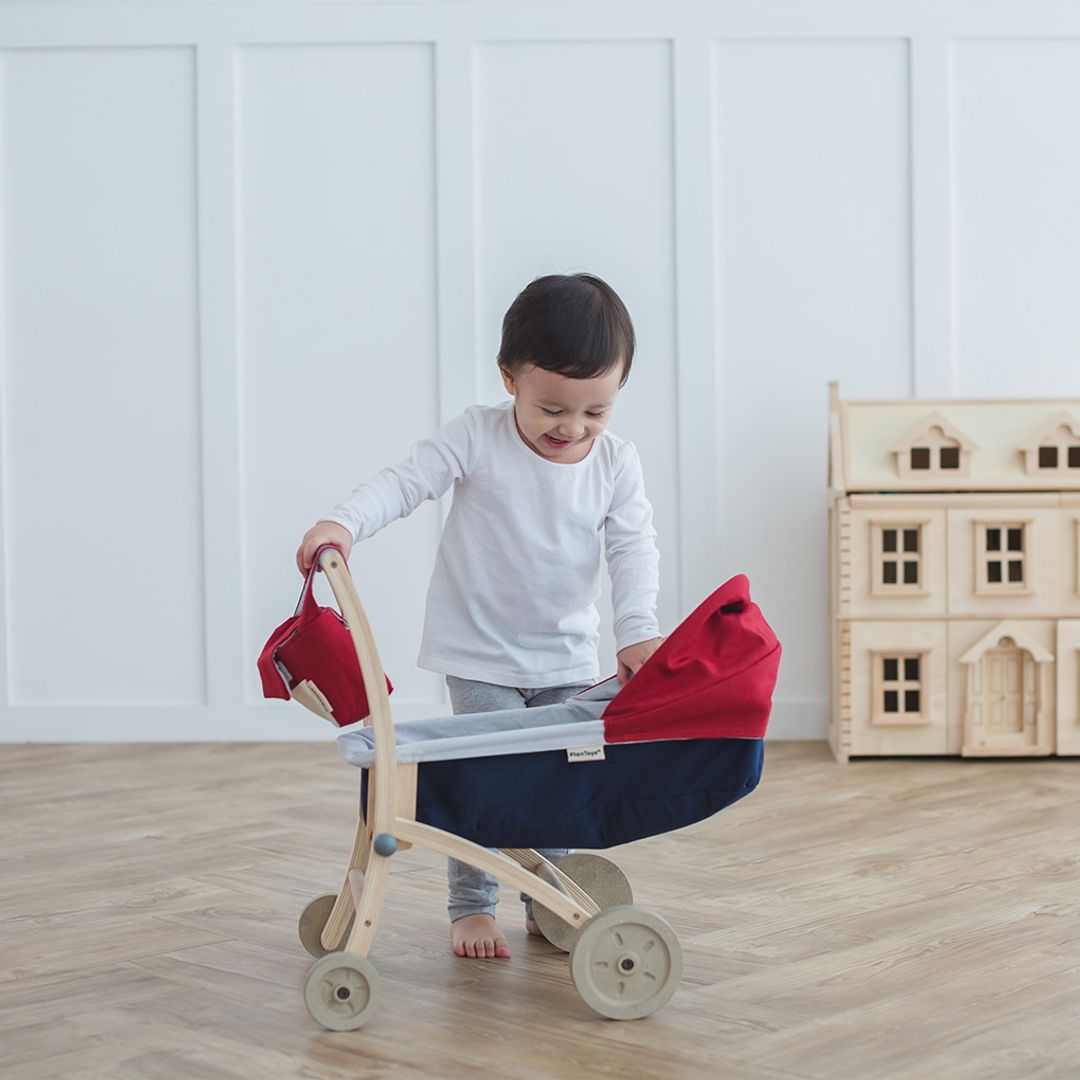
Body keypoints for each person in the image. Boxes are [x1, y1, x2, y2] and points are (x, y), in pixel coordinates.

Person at [296, 272, 663, 959]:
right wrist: (341, 524)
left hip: (568, 658)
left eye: (595, 412)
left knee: (555, 781)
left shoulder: (616, 464)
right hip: (481, 652)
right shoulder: (476, 436)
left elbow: (632, 548)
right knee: (485, 776)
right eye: (553, 407)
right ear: (509, 378)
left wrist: (637, 629)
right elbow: (404, 483)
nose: (572, 427)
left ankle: (549, 897)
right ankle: (470, 905)